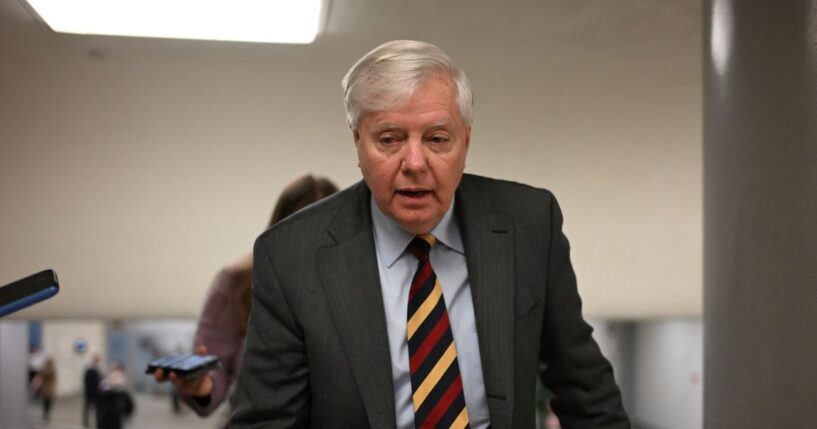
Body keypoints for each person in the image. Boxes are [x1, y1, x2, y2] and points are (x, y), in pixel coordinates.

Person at [228, 40, 630, 428]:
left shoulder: (528, 224)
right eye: (390, 140)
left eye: (437, 139)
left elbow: (586, 392)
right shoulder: (290, 256)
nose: (415, 163)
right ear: (358, 143)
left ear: (466, 142)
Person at [153, 174, 338, 420]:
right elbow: (213, 369)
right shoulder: (236, 284)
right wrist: (202, 385)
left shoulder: (362, 282)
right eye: (302, 235)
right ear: (280, 231)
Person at [96, 363, 134, 429]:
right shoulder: (105, 383)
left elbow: (129, 405)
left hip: (115, 419)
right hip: (104, 419)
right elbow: (100, 396)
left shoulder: (123, 388)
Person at [83, 355, 103, 427]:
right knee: (88, 409)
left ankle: (97, 423)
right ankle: (86, 423)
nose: (98, 363)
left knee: (96, 409)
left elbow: (101, 382)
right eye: (97, 361)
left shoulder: (98, 370)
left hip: (95, 393)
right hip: (91, 393)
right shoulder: (90, 370)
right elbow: (87, 382)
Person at [38, 357, 57, 422]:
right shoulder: (53, 370)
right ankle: (47, 414)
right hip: (50, 389)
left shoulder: (44, 370)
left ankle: (45, 414)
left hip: (45, 389)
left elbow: (41, 376)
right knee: (49, 403)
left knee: (45, 402)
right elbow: (54, 380)